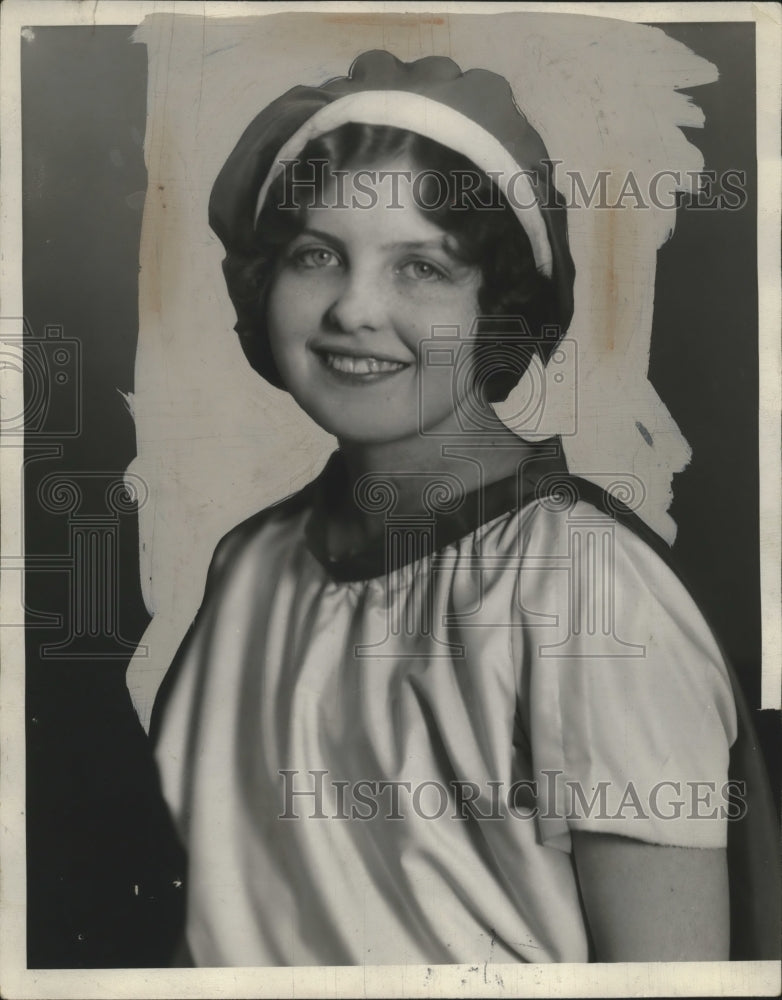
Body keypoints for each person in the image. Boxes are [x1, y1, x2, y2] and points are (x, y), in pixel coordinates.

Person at [149, 50, 777, 966]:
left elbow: (671, 982)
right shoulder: (249, 562)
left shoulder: (587, 595)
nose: (355, 309)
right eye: (317, 255)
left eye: (424, 268)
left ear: (501, 303)